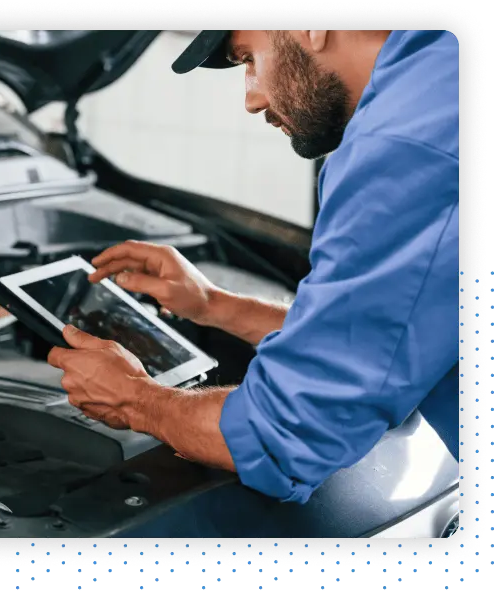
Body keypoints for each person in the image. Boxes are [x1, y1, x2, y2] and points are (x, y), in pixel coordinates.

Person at [46, 30, 460, 505]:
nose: (252, 98)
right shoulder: (441, 74)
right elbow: (386, 336)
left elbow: (284, 436)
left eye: (248, 58)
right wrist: (214, 306)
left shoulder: (403, 147)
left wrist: (136, 399)